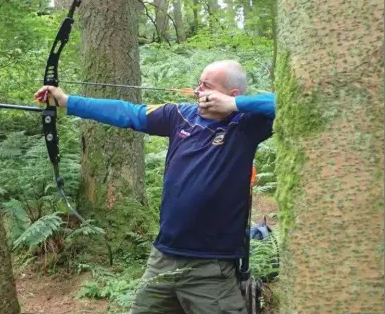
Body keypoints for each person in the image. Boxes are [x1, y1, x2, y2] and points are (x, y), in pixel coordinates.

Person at [34, 60, 276, 314]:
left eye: (206, 86)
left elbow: (292, 102)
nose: (197, 90)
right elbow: (128, 112)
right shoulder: (178, 116)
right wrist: (66, 101)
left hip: (211, 268)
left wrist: (234, 106)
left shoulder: (247, 126)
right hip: (163, 260)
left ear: (231, 94)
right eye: (198, 83)